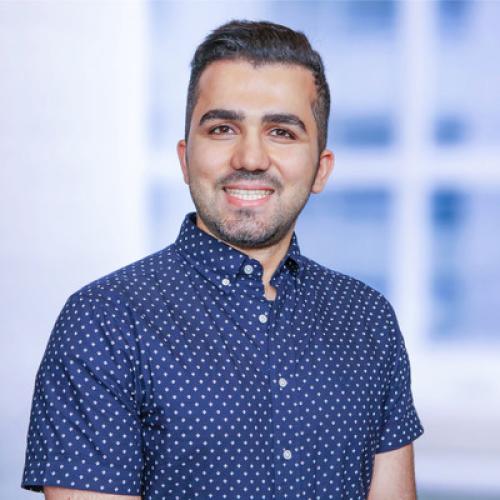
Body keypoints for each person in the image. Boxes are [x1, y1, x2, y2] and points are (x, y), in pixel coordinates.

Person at [22, 19, 423, 500]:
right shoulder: (105, 321)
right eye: (223, 129)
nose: (250, 158)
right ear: (185, 158)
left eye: (281, 132)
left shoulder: (367, 319)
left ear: (321, 169)